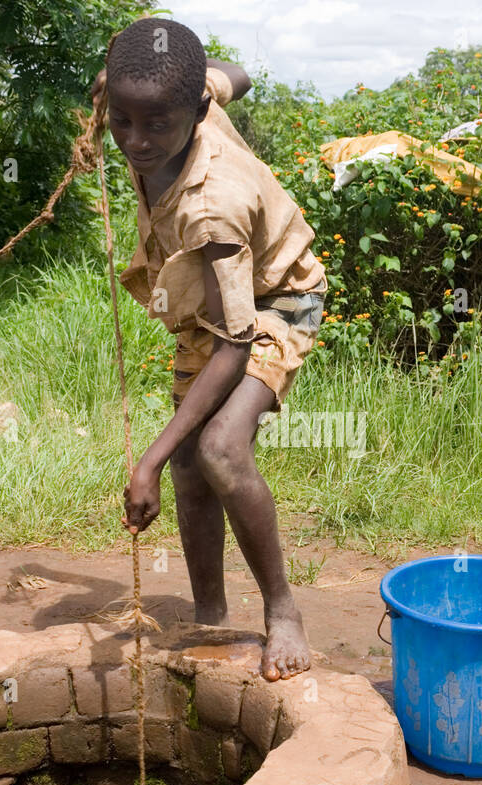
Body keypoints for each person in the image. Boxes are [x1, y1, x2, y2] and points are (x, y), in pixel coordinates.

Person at [92, 17, 327, 681]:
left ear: (195, 113)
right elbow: (238, 75)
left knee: (219, 447)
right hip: (211, 308)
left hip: (277, 302)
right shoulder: (193, 98)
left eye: (155, 125)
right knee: (193, 470)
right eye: (122, 121)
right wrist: (136, 74)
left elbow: (237, 342)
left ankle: (283, 609)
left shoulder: (212, 206)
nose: (136, 142)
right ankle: (211, 615)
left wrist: (149, 461)